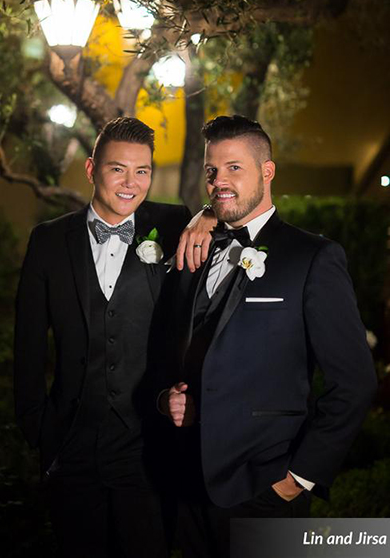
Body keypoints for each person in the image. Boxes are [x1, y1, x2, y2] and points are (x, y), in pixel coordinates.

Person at [160, 115, 377, 558]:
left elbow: (354, 382)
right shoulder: (194, 249)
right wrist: (167, 397)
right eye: (211, 171)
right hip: (187, 487)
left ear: (267, 171)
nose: (219, 181)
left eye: (234, 168)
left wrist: (297, 479)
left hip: (266, 491)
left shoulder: (313, 257)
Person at [14, 116, 215, 558]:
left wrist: (207, 213)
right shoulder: (48, 241)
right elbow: (27, 347)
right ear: (91, 169)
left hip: (148, 448)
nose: (131, 183)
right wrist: (42, 436)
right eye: (117, 169)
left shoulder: (174, 221)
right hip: (72, 451)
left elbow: (230, 217)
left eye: (142, 171)